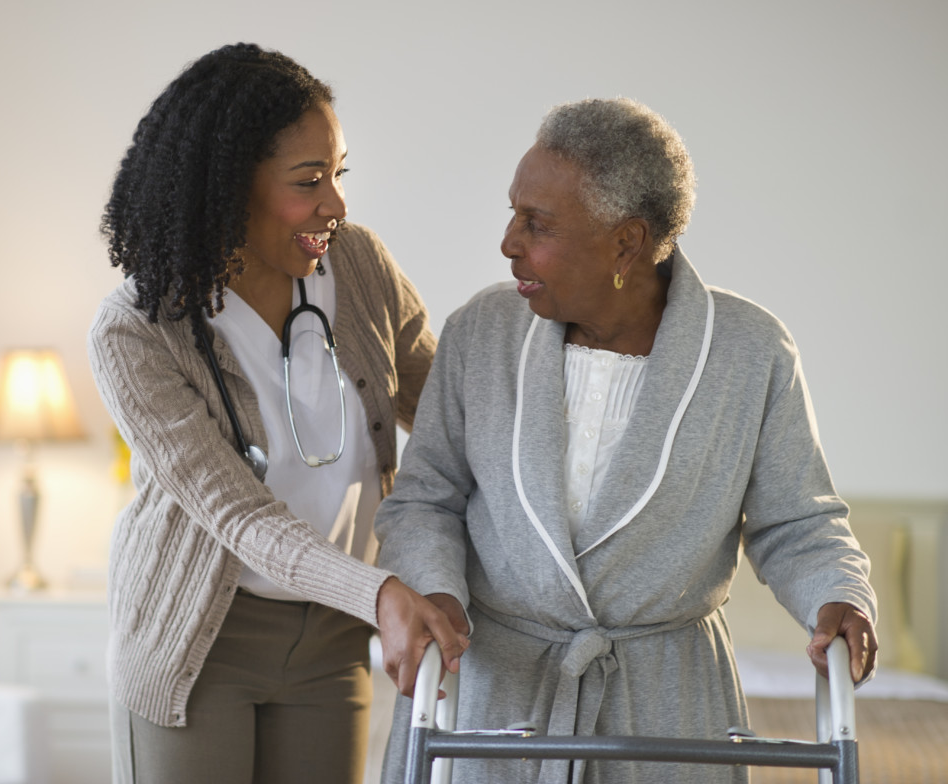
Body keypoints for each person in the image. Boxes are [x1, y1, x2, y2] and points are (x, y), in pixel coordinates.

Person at [375, 97, 878, 784]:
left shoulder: (749, 351)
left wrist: (839, 597)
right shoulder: (481, 333)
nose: (508, 242)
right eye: (513, 212)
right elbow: (424, 500)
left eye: (537, 223)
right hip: (492, 691)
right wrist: (436, 593)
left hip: (665, 706)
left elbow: (798, 523)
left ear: (626, 242)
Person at [87, 43, 468, 784]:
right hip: (198, 642)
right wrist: (383, 593)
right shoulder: (135, 331)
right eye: (309, 180)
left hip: (329, 640)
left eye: (339, 173)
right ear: (229, 190)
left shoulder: (356, 267)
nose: (337, 203)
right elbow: (240, 517)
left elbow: (455, 417)